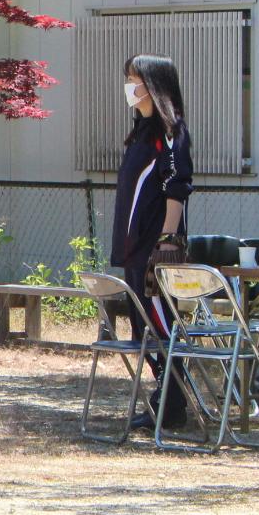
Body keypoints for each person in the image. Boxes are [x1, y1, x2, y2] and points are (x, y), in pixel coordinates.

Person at [110, 53, 194, 430]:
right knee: (141, 326)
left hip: (154, 249)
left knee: (162, 327)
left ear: (153, 84)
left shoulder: (171, 133)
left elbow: (177, 189)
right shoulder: (140, 132)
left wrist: (166, 241)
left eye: (134, 78)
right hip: (131, 247)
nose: (129, 86)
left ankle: (173, 405)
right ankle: (161, 397)